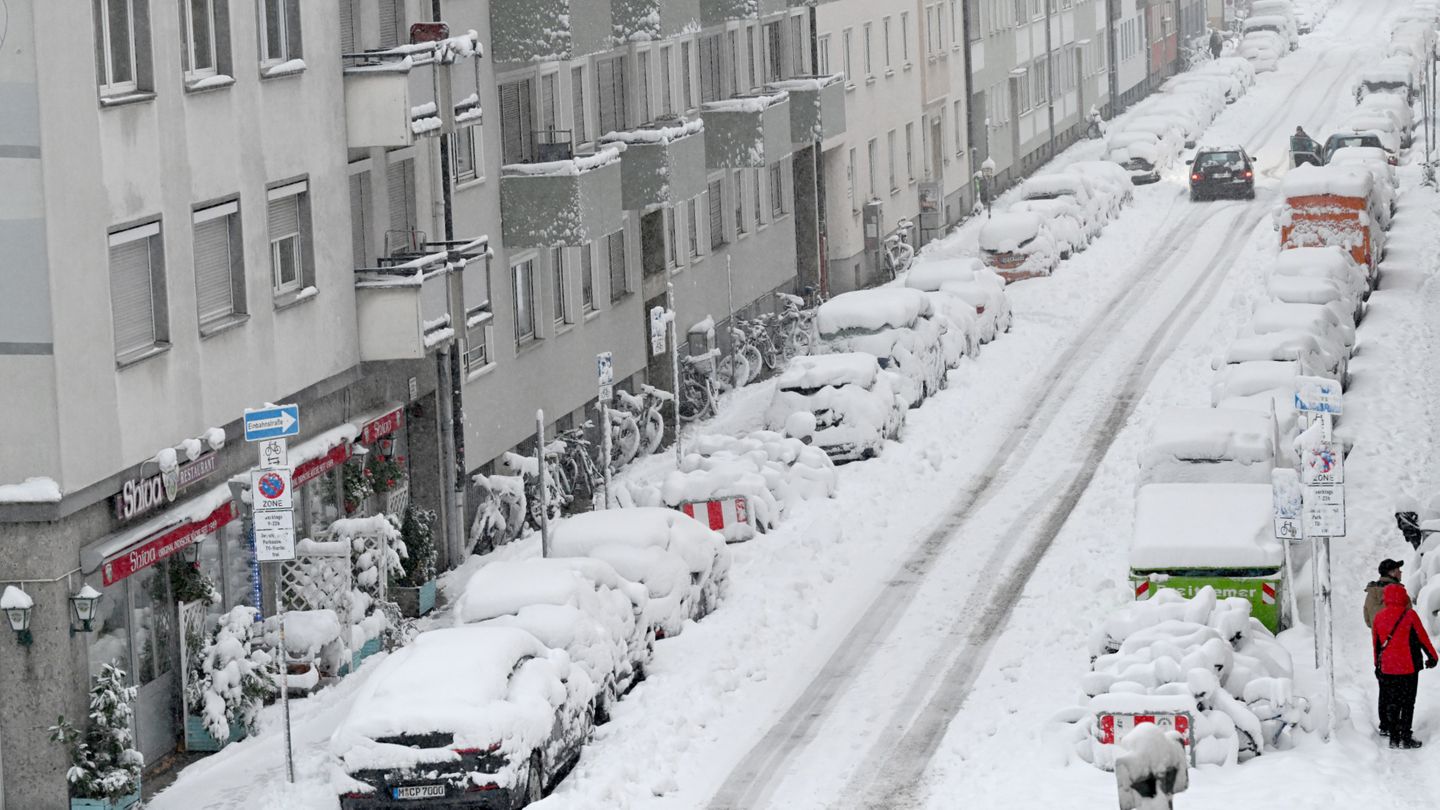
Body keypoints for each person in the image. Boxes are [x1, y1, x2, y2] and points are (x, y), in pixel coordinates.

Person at [1372, 583, 1438, 747]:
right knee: (1408, 703)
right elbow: (1423, 638)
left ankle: (1394, 738)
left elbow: (1377, 645)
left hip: (1388, 668)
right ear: (1402, 597)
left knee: (1393, 702)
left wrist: (1377, 665)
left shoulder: (1379, 617)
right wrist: (1433, 657)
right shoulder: (1410, 616)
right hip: (1408, 668)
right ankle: (1406, 737)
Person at [1364, 559, 1410, 628]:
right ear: (1392, 573)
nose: (1401, 572)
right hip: (1401, 637)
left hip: (1380, 638)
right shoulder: (1398, 592)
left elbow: (1368, 621)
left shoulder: (1370, 593)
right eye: (1398, 570)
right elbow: (1409, 616)